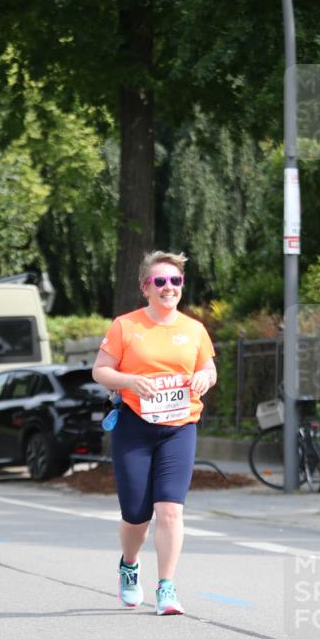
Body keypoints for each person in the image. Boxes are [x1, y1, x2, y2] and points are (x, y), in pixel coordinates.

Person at [92, 251, 217, 616]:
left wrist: (204, 378)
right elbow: (101, 371)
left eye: (175, 281)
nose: (169, 288)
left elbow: (208, 369)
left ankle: (166, 587)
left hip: (180, 428)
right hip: (134, 426)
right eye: (160, 281)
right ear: (146, 287)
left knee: (170, 510)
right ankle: (130, 565)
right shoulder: (125, 326)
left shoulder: (193, 329)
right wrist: (131, 381)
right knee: (136, 514)